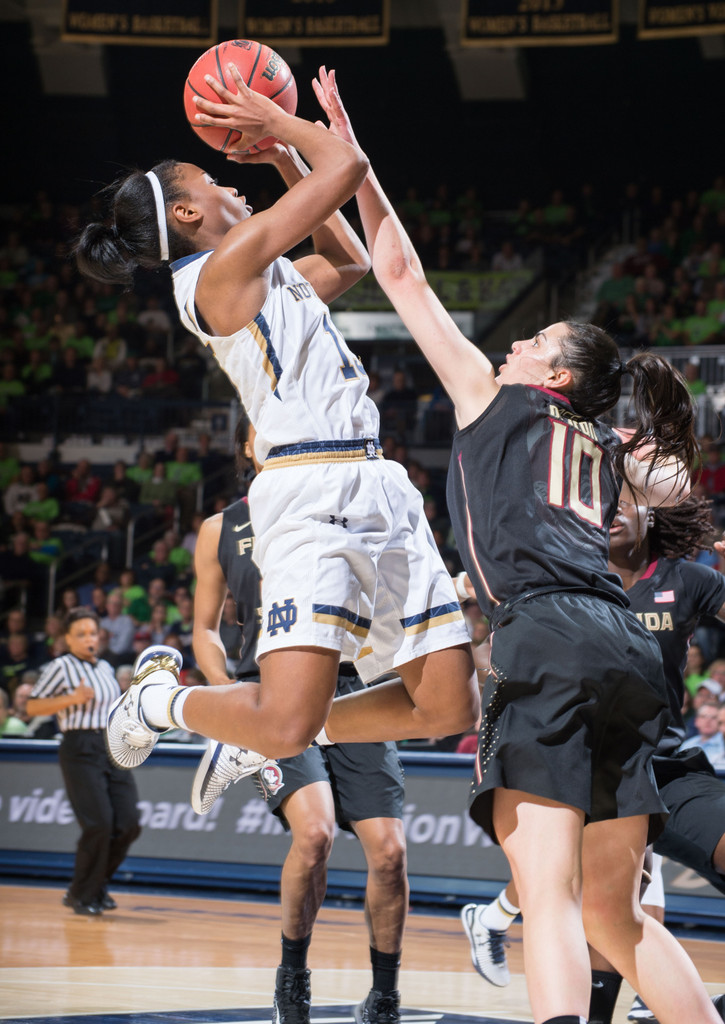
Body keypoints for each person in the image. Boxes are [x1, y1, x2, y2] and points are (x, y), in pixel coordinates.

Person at [304, 68, 719, 1024]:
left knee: (551, 901)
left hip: (548, 638)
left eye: (532, 339)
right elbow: (665, 496)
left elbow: (399, 274)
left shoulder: (497, 402)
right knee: (619, 915)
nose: (512, 345)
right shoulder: (603, 446)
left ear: (558, 372)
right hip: (626, 650)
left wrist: (351, 157)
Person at [76, 67, 475, 774]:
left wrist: (286, 156)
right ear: (188, 215)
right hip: (309, 488)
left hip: (373, 479)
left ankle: (254, 739)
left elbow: (347, 261)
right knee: (284, 719)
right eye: (211, 180)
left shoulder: (257, 269)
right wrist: (276, 121)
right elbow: (347, 165)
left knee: (447, 707)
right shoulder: (218, 271)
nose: (231, 184)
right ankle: (160, 702)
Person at [460, 494, 725, 1022]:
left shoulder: (686, 578)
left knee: (610, 905)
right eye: (605, 502)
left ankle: (494, 916)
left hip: (663, 761)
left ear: (654, 512)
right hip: (587, 755)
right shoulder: (555, 578)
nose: (614, 511)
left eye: (628, 501)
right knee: (606, 907)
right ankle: (510, 930)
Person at [191, 419, 408, 1024]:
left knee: (389, 853)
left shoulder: (340, 505)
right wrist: (230, 696)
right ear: (246, 446)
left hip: (354, 688)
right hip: (273, 693)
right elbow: (205, 629)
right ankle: (293, 976)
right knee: (313, 837)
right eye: (266, 430)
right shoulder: (221, 528)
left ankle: (384, 991)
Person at [25, 608, 143, 914]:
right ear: (67, 638)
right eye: (81, 634)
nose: (89, 638)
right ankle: (83, 894)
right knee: (99, 824)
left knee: (128, 823)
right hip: (79, 746)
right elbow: (33, 706)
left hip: (111, 744)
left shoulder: (105, 667)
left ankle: (91, 886)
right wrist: (71, 699)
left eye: (92, 632)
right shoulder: (61, 666)